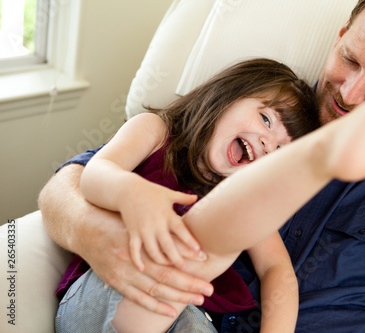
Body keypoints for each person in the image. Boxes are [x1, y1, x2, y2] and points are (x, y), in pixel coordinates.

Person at [39, 0, 365, 332]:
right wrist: (93, 234)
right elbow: (77, 180)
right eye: (350, 60)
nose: (349, 95)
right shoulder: (266, 101)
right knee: (197, 245)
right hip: (157, 304)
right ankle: (323, 156)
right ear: (339, 37)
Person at [56, 58, 320, 333]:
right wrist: (130, 192)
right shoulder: (155, 132)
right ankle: (204, 253)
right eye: (266, 119)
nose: (267, 144)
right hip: (108, 288)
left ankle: (203, 255)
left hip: (185, 315)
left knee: (193, 322)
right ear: (228, 95)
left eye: (279, 152)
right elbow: (95, 173)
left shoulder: (247, 199)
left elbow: (276, 269)